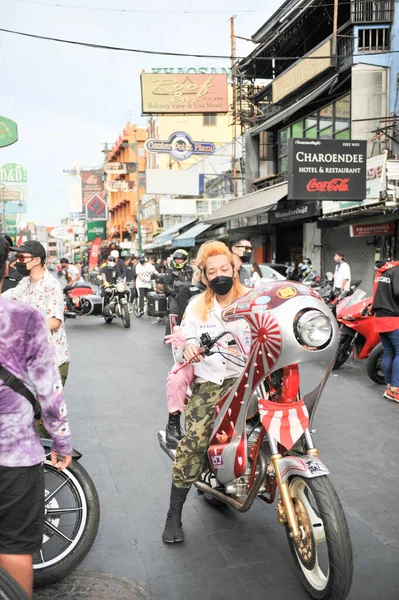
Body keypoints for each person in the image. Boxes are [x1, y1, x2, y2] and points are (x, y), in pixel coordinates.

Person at [162, 241, 250, 544]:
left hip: (249, 377)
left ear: (234, 268)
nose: (219, 275)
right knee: (195, 439)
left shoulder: (254, 300)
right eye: (212, 271)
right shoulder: (198, 305)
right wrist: (186, 345)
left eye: (224, 268)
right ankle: (174, 513)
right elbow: (182, 336)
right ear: (205, 276)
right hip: (211, 380)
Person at [0, 237, 72, 599]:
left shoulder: (48, 287)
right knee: (14, 545)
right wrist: (62, 442)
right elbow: (49, 393)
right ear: (4, 269)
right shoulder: (20, 312)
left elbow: (56, 320)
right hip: (13, 456)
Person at [3, 241, 70, 386]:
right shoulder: (24, 283)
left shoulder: (51, 285)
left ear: (37, 260)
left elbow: (54, 321)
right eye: (17, 257)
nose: (18, 262)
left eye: (22, 258)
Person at [372, 258, 399, 402]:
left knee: (389, 352)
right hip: (394, 319)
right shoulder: (396, 270)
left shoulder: (382, 271)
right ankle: (396, 389)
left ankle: (389, 387)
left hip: (380, 318)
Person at [164, 249, 194, 334]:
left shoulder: (190, 269)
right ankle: (168, 336)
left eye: (180, 259)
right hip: (174, 295)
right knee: (173, 312)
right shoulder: (170, 269)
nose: (178, 261)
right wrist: (174, 294)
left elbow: (195, 281)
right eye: (176, 259)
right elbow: (167, 285)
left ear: (184, 259)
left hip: (188, 295)